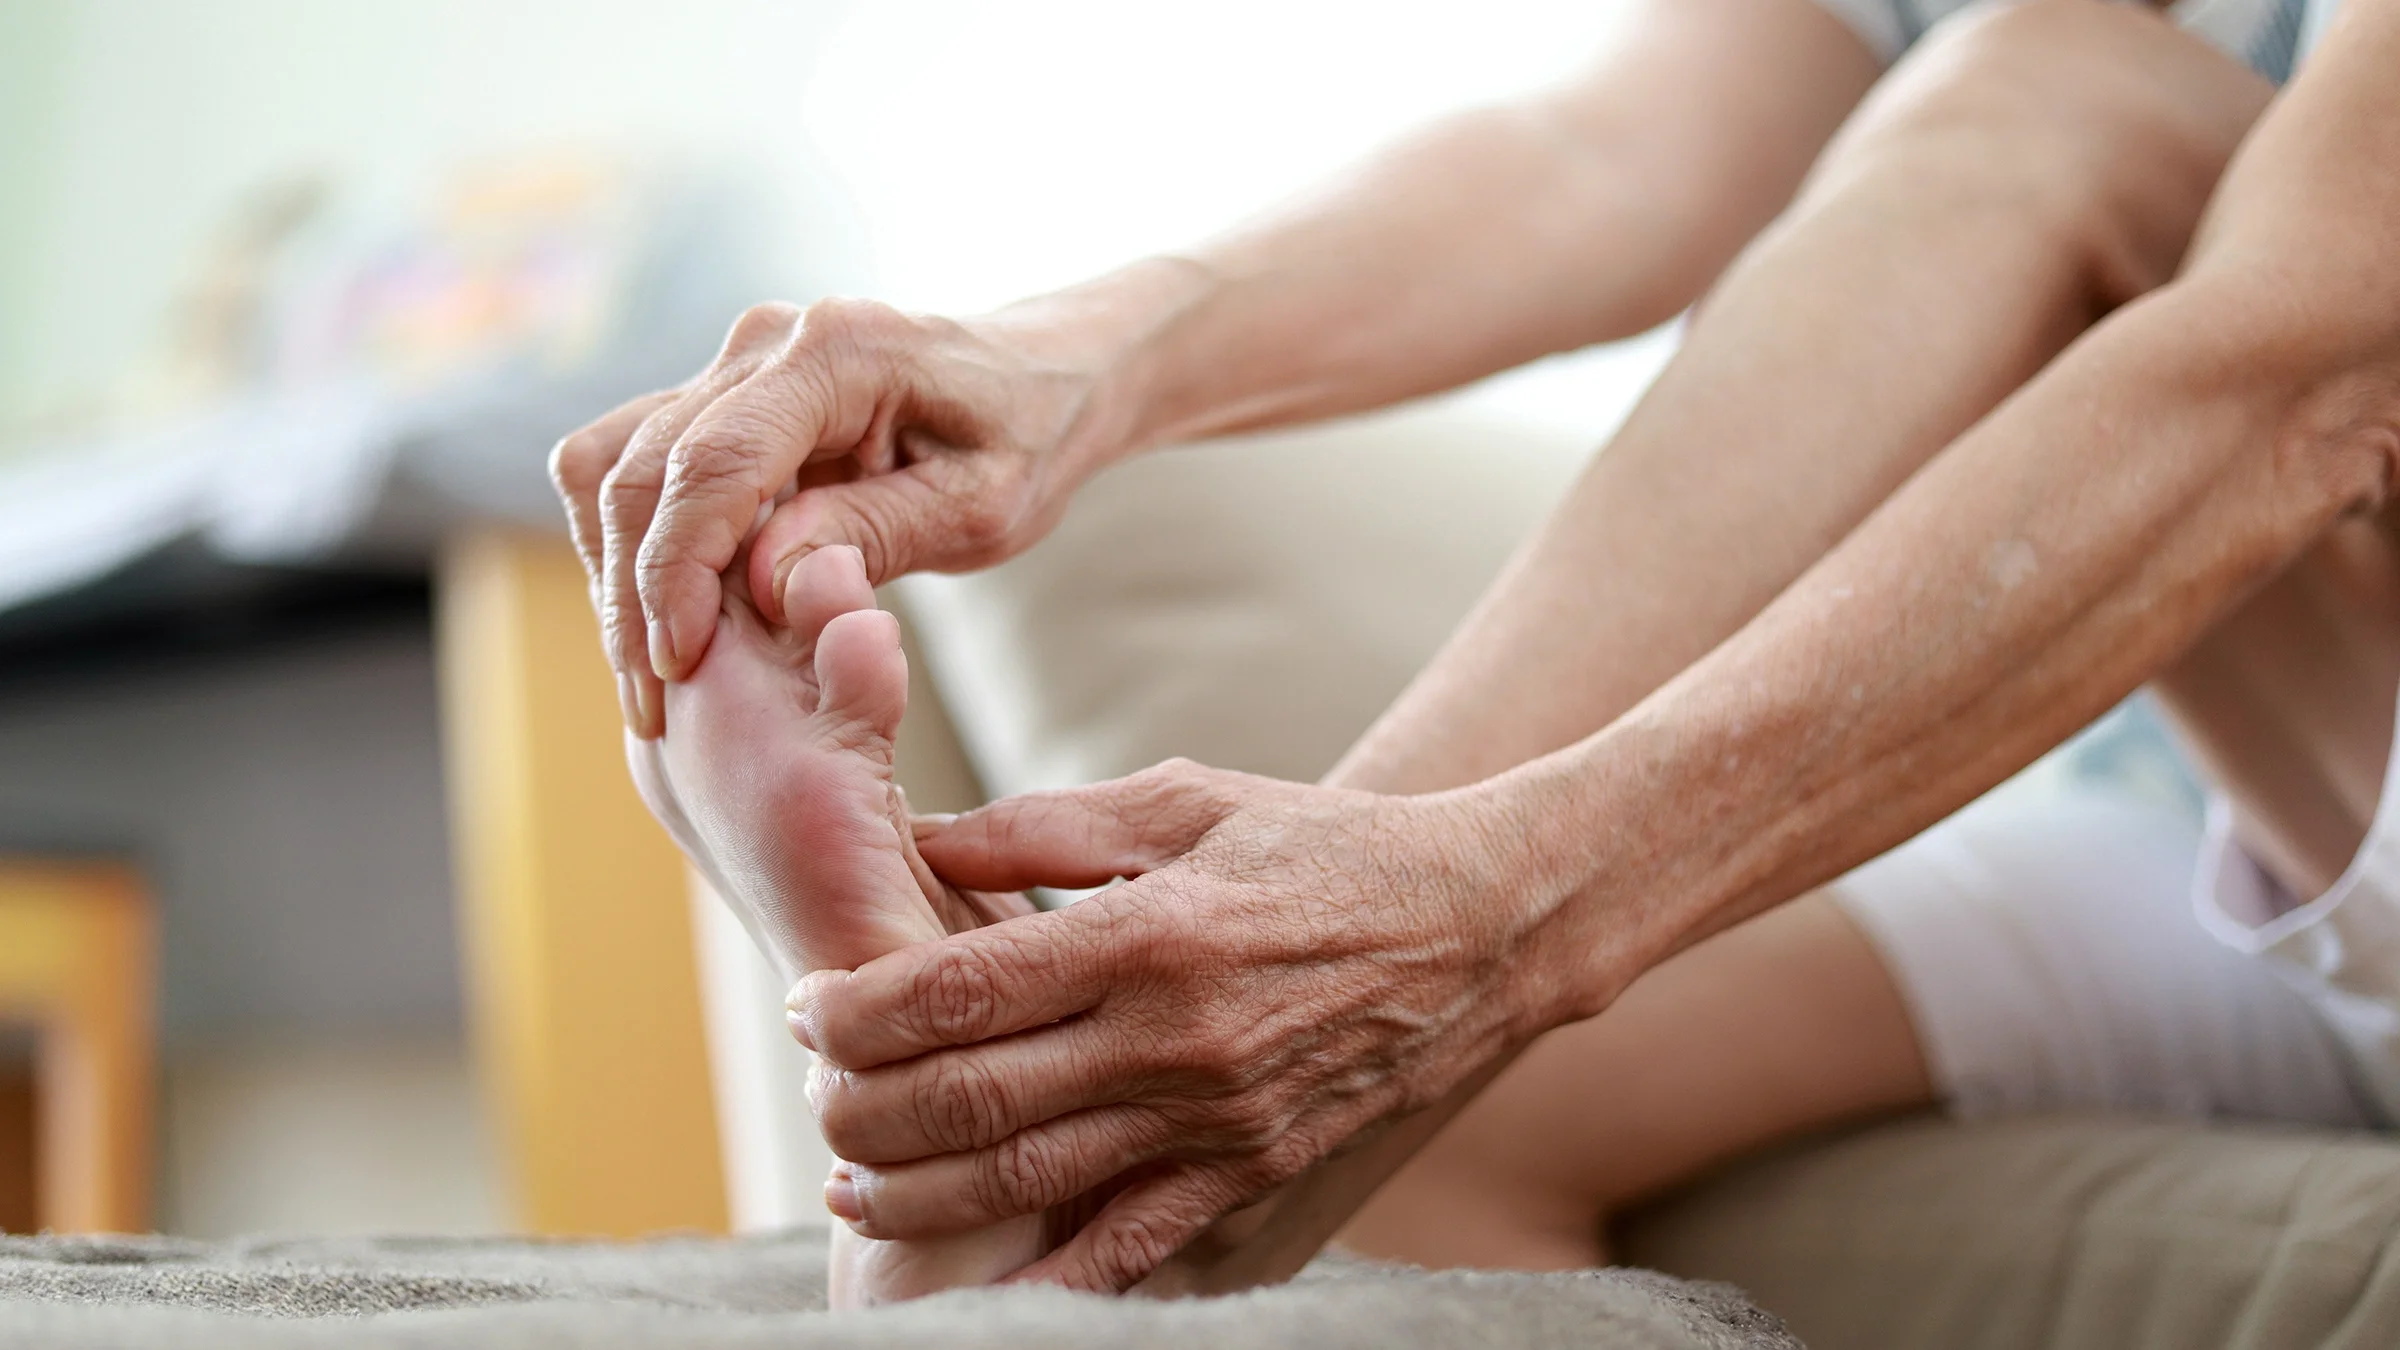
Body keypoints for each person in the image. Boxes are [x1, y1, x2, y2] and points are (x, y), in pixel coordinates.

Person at [551, 0, 2400, 1299]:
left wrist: (1502, 900)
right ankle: (1071, 1183)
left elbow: (2301, 384)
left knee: (2075, 100)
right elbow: (1598, 158)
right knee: (1423, 1156)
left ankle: (1138, 1090)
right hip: (2201, 815)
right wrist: (1046, 366)